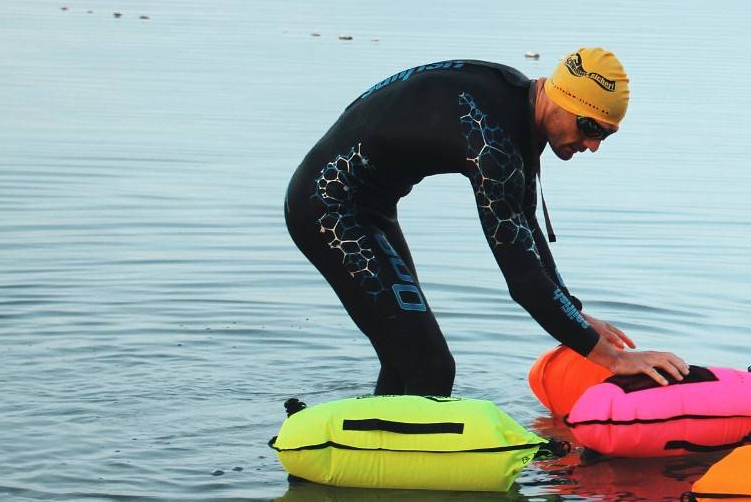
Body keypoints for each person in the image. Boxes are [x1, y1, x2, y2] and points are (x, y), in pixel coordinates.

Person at [285, 48, 688, 396]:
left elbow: (525, 229)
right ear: (557, 97)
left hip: (365, 209)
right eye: (589, 127)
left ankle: (372, 456)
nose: (593, 145)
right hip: (328, 206)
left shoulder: (513, 103)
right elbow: (523, 279)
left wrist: (573, 311)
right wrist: (614, 360)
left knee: (405, 356)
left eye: (605, 135)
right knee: (430, 365)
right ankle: (406, 473)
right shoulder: (493, 140)